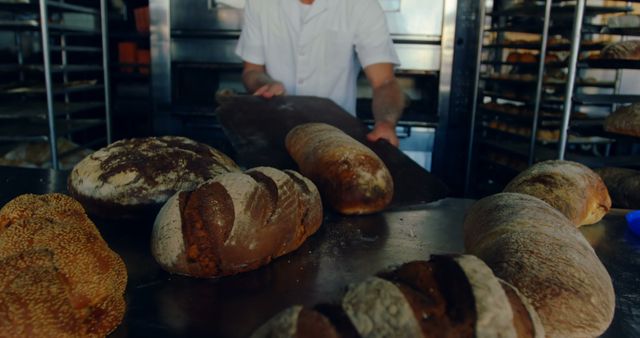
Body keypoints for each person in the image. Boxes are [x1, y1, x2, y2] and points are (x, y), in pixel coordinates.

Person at [235, 0, 406, 146]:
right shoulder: (260, 3)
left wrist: (386, 122)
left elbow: (384, 82)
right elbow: (252, 70)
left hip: (338, 137)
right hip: (275, 135)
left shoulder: (360, 4)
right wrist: (264, 84)